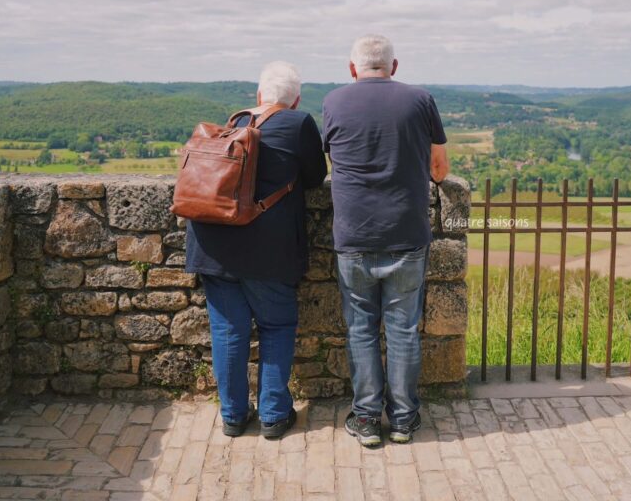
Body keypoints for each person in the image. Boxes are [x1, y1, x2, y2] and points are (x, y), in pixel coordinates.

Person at [185, 61, 327, 439]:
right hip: (269, 250)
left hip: (213, 244)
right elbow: (316, 177)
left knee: (228, 331)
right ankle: (274, 416)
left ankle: (232, 417)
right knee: (276, 325)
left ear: (258, 96)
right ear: (295, 100)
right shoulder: (299, 124)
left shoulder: (236, 122)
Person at [322, 34, 449, 447]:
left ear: (353, 68)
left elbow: (332, 157)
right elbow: (440, 170)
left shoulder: (334, 102)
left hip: (354, 235)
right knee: (403, 331)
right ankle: (403, 420)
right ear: (393, 67)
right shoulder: (420, 100)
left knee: (360, 330)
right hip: (407, 232)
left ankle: (365, 418)